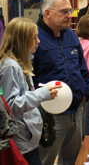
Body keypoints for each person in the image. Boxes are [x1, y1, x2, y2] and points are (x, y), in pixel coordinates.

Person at [32, 0, 89, 165]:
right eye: (64, 12)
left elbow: (83, 68)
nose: (69, 16)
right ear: (48, 13)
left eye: (70, 11)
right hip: (50, 116)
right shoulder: (35, 38)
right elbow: (29, 78)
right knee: (45, 160)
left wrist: (86, 92)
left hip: (76, 110)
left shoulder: (71, 35)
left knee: (72, 159)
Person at [0, 17, 61, 165]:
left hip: (28, 141)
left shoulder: (22, 63)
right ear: (21, 40)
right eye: (34, 37)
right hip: (22, 143)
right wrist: (42, 94)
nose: (38, 41)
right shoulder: (10, 66)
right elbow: (11, 105)